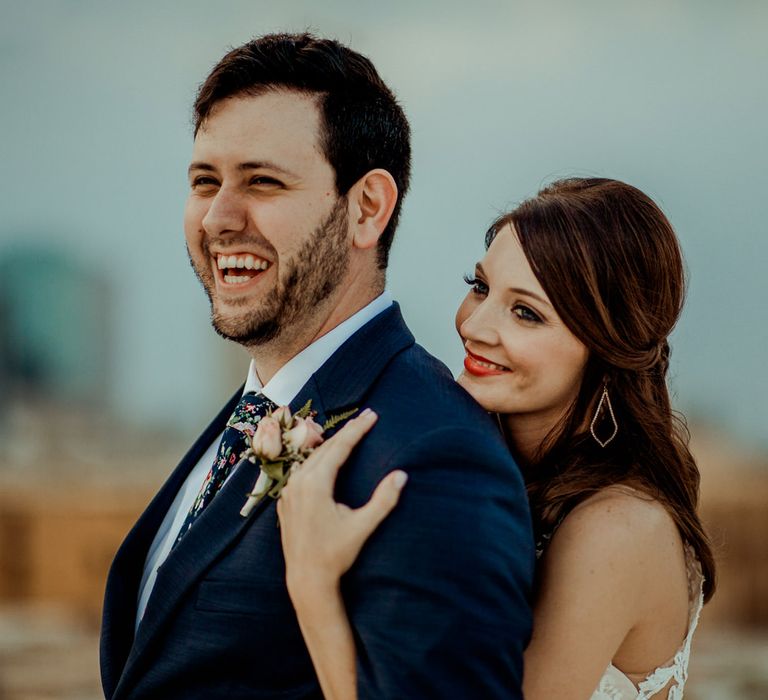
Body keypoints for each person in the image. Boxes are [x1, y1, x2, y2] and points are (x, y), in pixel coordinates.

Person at [99, 33, 534, 700]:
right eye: (204, 181)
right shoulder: (247, 414)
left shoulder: (432, 457)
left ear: (366, 208)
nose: (218, 217)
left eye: (262, 181)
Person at [277, 178, 716, 699]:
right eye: (480, 286)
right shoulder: (480, 473)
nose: (475, 325)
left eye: (526, 312)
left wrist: (313, 584)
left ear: (605, 346)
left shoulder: (617, 528)